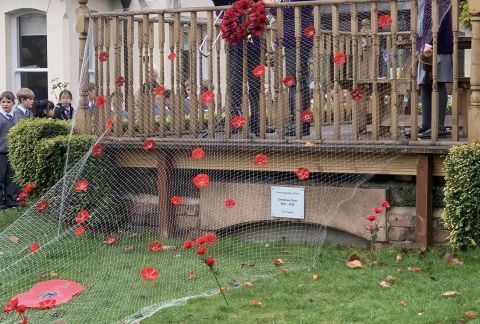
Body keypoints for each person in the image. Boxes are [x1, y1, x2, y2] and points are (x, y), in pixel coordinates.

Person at [212, 0, 262, 136]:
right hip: (235, 42)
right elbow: (219, 6)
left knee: (255, 84)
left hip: (254, 42)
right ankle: (236, 121)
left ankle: (256, 122)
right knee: (235, 82)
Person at [273, 0, 314, 136]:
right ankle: (299, 121)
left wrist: (273, 5)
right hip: (292, 38)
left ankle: (299, 123)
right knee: (295, 81)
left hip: (299, 37)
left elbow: (295, 10)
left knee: (296, 80)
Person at [414, 0, 453, 138]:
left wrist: (428, 44)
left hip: (439, 46)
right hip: (425, 46)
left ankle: (439, 126)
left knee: (438, 83)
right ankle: (426, 125)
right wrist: (420, 46)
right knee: (424, 84)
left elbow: (439, 20)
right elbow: (420, 25)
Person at [0, 91, 20, 209]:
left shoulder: (16, 117)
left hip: (12, 152)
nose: (5, 104)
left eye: (8, 102)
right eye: (3, 102)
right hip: (1, 152)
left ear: (13, 103)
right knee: (0, 177)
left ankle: (10, 198)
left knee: (11, 177)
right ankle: (0, 201)